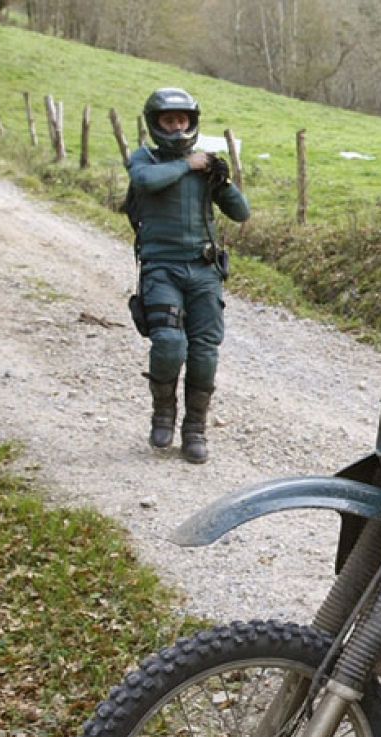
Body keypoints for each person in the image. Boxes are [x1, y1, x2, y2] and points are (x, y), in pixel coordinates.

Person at [127, 87, 250, 464]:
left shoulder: (205, 166)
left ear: (192, 122)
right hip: (161, 268)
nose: (177, 127)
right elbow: (146, 183)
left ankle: (195, 429)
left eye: (183, 120)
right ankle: (163, 412)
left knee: (204, 352)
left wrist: (223, 181)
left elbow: (241, 214)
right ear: (156, 124)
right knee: (167, 343)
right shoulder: (144, 159)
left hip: (203, 269)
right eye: (169, 120)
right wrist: (188, 165)